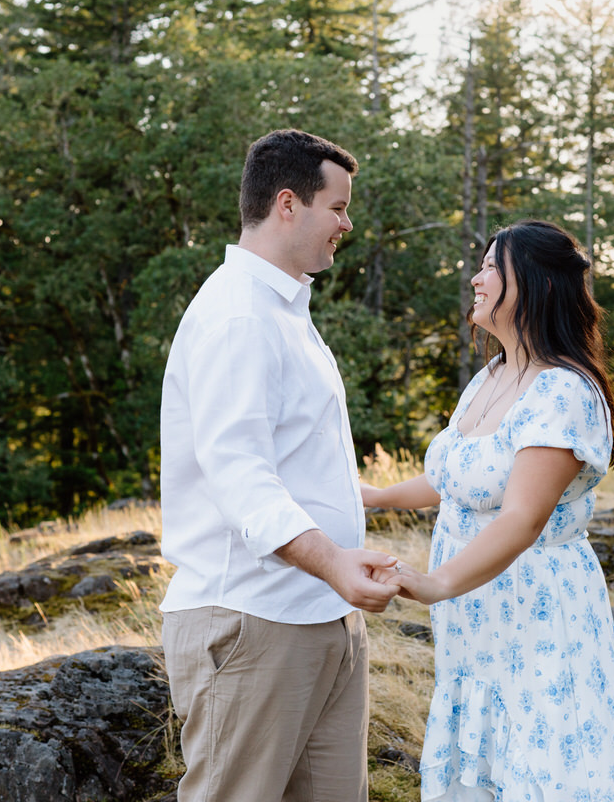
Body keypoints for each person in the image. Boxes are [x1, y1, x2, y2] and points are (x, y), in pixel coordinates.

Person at [363, 219, 614, 802]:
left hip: (537, 612)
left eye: (491, 266)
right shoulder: (492, 376)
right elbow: (457, 478)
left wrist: (436, 582)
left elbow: (522, 517)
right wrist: (374, 497)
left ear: (536, 283)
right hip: (478, 620)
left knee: (545, 762)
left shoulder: (563, 391)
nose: (476, 278)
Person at [158, 128, 401, 802]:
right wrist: (335, 563)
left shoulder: (285, 309)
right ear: (288, 204)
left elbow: (292, 459)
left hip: (321, 617)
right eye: (339, 207)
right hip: (252, 622)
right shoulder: (238, 315)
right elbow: (238, 475)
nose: (346, 225)